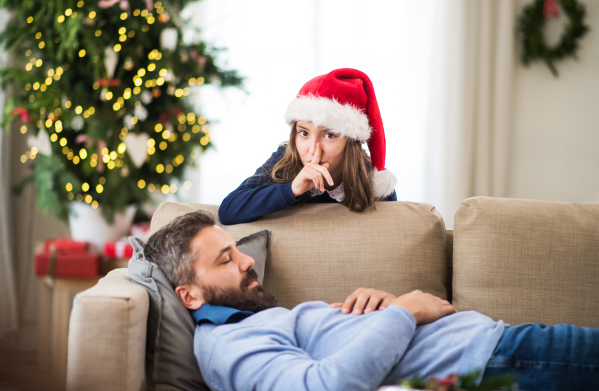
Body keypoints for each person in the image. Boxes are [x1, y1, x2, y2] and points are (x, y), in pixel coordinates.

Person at [144, 211, 599, 391]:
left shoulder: (248, 322)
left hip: (498, 349)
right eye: (226, 259)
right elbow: (322, 389)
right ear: (189, 294)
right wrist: (405, 313)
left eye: (239, 250)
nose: (247, 262)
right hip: (498, 361)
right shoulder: (226, 346)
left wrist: (380, 309)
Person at [218, 68, 398, 225]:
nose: (313, 149)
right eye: (304, 133)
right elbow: (228, 211)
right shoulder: (285, 158)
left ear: (350, 142)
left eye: (329, 135)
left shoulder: (372, 179)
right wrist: (291, 189)